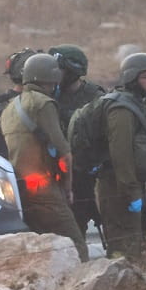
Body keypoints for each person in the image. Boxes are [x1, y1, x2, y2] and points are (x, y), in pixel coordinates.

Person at [0, 53, 88, 260]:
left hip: (20, 188)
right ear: (52, 79)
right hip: (45, 188)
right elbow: (64, 152)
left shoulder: (9, 108)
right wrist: (68, 188)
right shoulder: (43, 103)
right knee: (76, 245)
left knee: (42, 250)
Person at [96, 53, 146, 263]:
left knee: (136, 246)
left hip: (130, 187)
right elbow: (121, 155)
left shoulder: (136, 104)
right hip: (117, 188)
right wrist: (131, 192)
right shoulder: (121, 109)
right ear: (132, 78)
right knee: (123, 250)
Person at [50, 44, 107, 243]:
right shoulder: (48, 96)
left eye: (59, 70)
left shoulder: (95, 98)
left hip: (86, 177)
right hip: (58, 177)